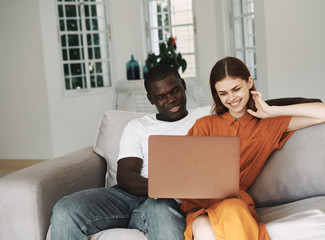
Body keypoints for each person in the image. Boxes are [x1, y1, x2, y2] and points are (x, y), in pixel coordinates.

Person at [180, 57, 325, 240]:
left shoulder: (266, 125)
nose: (231, 98)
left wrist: (272, 111)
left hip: (233, 203)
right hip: (199, 205)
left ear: (249, 82)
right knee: (202, 229)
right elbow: (184, 169)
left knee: (230, 213)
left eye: (236, 89)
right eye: (223, 93)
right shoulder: (204, 125)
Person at [50, 64, 211, 240]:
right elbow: (125, 175)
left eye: (175, 91)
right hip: (126, 196)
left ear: (183, 85)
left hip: (164, 203)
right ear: (151, 99)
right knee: (65, 208)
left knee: (162, 210)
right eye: (161, 97)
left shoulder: (206, 115)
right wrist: (165, 187)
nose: (171, 99)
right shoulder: (138, 126)